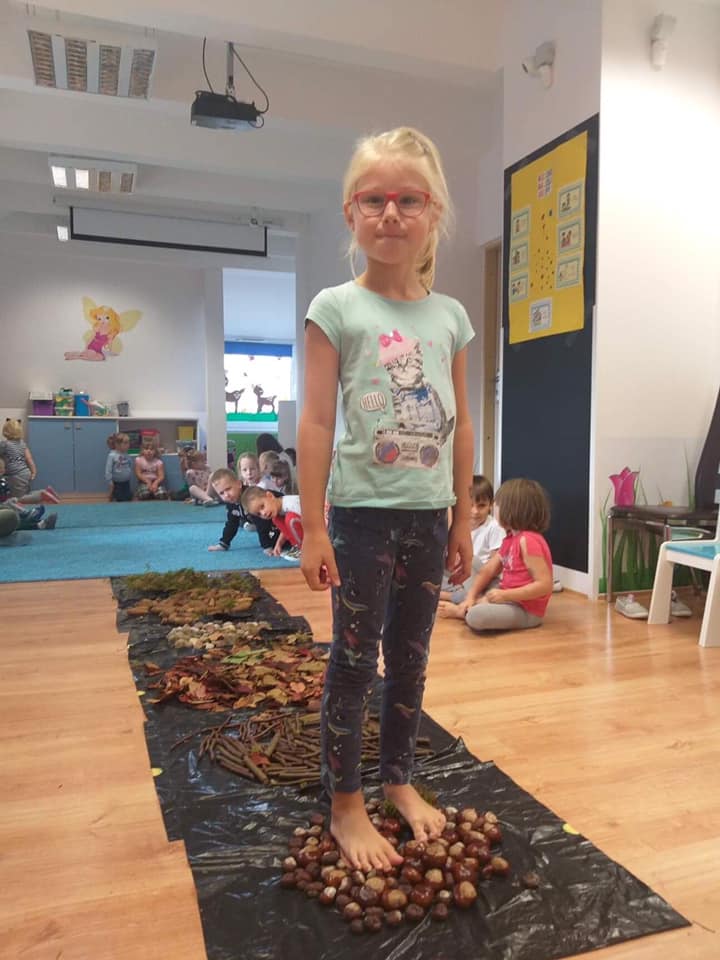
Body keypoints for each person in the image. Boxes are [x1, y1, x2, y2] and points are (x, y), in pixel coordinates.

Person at [297, 126, 475, 872]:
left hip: (429, 519)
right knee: (353, 660)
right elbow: (315, 422)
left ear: (433, 212)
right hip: (361, 518)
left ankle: (398, 780)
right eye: (374, 200)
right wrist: (313, 527)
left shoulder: (450, 317)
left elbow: (462, 424)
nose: (391, 213)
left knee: (411, 658)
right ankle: (345, 803)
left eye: (408, 200)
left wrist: (463, 516)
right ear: (351, 213)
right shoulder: (336, 307)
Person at [442, 478, 553, 633]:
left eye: (498, 505)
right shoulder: (510, 539)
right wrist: (471, 597)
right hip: (505, 595)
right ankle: (469, 601)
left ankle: (463, 611)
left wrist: (505, 595)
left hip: (525, 609)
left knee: (476, 616)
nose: (494, 509)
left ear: (512, 510)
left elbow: (545, 585)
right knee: (471, 561)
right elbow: (487, 570)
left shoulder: (528, 541)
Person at [439, 475, 504, 605]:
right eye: (470, 506)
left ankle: (456, 596)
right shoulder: (457, 526)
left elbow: (496, 566)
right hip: (462, 576)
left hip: (482, 577)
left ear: (490, 505)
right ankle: (458, 596)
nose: (475, 511)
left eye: (481, 506)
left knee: (470, 560)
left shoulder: (494, 527)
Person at [0, 420, 60, 504]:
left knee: (18, 498)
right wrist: (34, 471)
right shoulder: (22, 444)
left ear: (5, 432)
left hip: (15, 475)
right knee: (26, 494)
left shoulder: (4, 444)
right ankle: (45, 491)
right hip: (25, 472)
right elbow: (29, 459)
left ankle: (42, 495)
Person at [240, 485, 303, 558]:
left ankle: (304, 547)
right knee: (277, 519)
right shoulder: (279, 511)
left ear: (270, 496)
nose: (263, 513)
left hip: (312, 528)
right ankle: (297, 546)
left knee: (290, 518)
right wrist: (279, 543)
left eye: (262, 506)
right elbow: (287, 528)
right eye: (259, 514)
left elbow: (312, 519)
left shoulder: (292, 504)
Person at [105, 432, 133, 502]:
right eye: (125, 443)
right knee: (120, 499)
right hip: (117, 482)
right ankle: (112, 495)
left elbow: (130, 465)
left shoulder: (127, 455)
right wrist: (110, 481)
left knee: (128, 497)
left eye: (128, 442)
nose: (128, 445)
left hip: (126, 481)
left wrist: (128, 473)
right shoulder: (112, 455)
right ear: (118, 444)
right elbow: (108, 470)